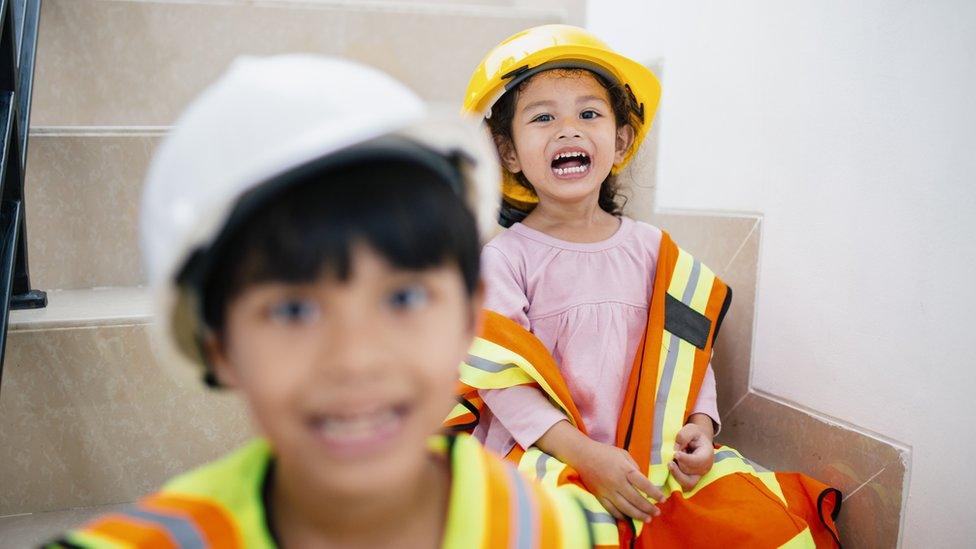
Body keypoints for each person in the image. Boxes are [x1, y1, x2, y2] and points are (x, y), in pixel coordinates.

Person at [47, 54, 591, 549]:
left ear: (469, 317)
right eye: (294, 311)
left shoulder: (541, 529)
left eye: (402, 297)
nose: (356, 360)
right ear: (219, 346)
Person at [448, 24, 842, 547]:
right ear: (510, 153)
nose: (568, 129)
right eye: (543, 117)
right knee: (550, 531)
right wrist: (586, 457)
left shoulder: (657, 251)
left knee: (758, 522)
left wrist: (701, 427)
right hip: (547, 452)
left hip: (649, 453)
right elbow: (505, 388)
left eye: (589, 114)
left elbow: (688, 356)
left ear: (620, 141)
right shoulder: (505, 259)